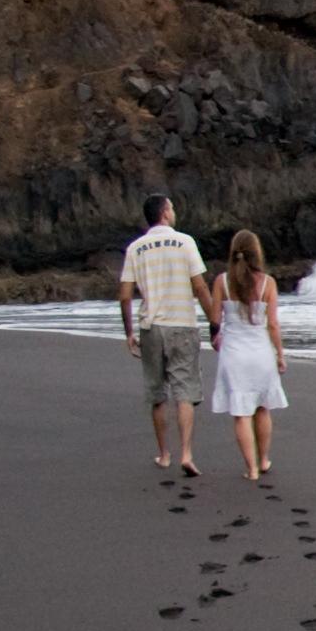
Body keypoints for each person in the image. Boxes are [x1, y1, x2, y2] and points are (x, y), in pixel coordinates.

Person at [115, 195, 210, 477]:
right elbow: (200, 286)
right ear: (165, 213)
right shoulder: (185, 242)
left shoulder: (135, 248)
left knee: (158, 394)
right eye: (172, 207)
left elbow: (124, 296)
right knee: (185, 391)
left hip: (151, 326)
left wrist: (129, 332)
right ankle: (187, 454)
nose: (175, 211)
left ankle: (165, 454)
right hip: (182, 322)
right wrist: (216, 320)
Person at [204, 228, 290, 484]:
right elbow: (272, 324)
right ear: (257, 253)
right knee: (262, 408)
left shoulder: (222, 281)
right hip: (260, 352)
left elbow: (214, 318)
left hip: (234, 352)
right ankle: (264, 459)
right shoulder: (268, 283)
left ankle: (251, 468)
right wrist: (280, 354)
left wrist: (214, 339)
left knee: (241, 413)